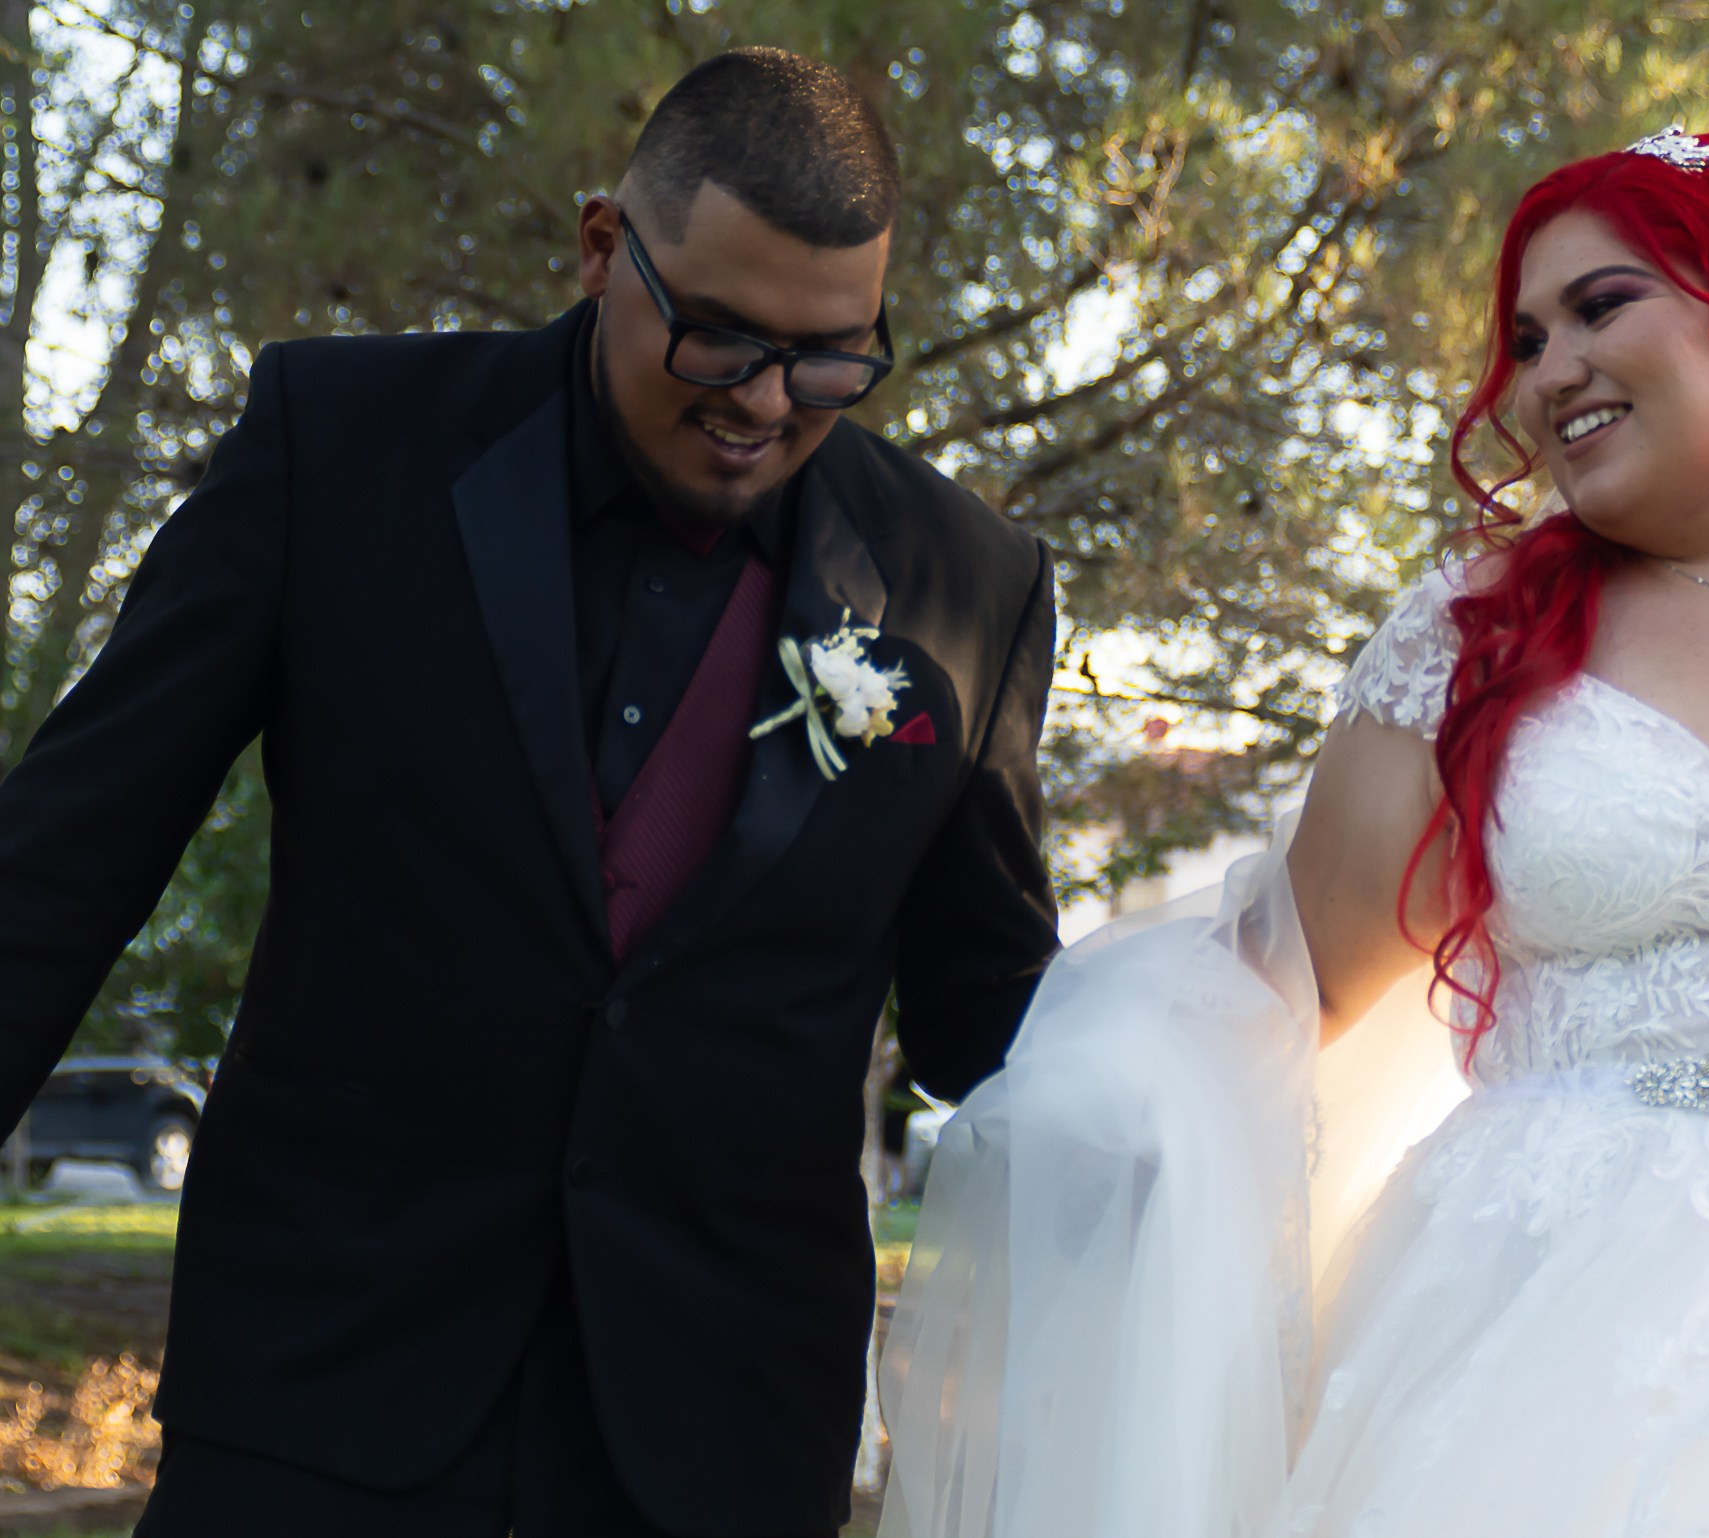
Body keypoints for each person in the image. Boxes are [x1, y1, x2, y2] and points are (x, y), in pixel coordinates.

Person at [879, 129, 1709, 1538]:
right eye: (1528, 339)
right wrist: (1089, 1092)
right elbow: (1285, 984)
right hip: (1547, 1331)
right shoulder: (1473, 645)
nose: (1548, 371)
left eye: (1602, 306)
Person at [0, 47, 1061, 1538]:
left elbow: (989, 1021)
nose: (767, 403)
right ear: (602, 247)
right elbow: (64, 859)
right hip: (318, 1399)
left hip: (719, 1448)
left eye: (833, 357)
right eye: (720, 339)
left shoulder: (971, 585)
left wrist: (1223, 1031)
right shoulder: (336, 444)